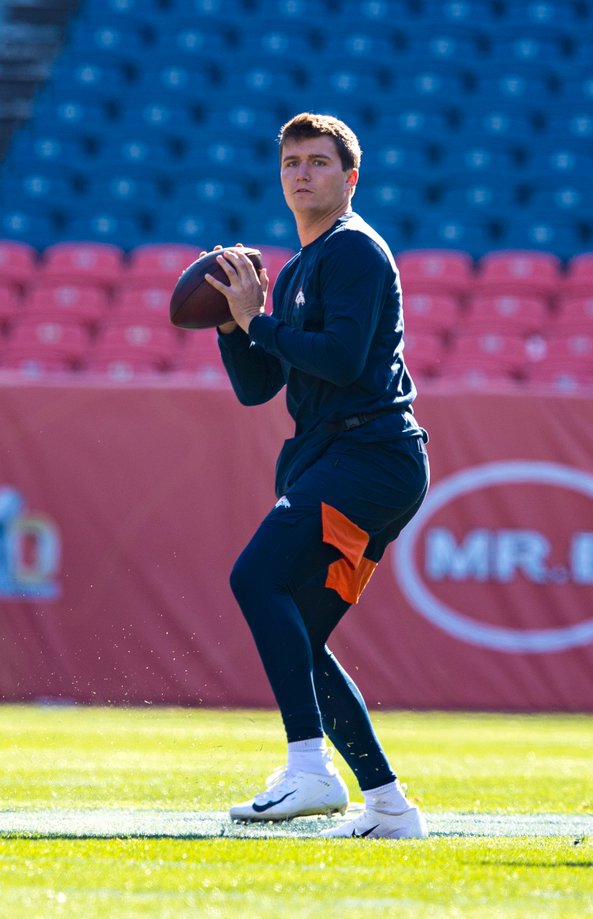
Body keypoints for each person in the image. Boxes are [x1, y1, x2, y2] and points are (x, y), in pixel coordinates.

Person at [206, 112, 430, 839]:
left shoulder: (356, 250)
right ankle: (390, 805)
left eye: (319, 161)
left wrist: (261, 323)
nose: (303, 172)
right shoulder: (303, 266)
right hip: (353, 458)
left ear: (350, 177)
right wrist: (231, 321)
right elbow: (258, 385)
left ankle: (310, 767)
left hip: (371, 456)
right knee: (301, 631)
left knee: (254, 576)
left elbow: (336, 357)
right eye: (292, 162)